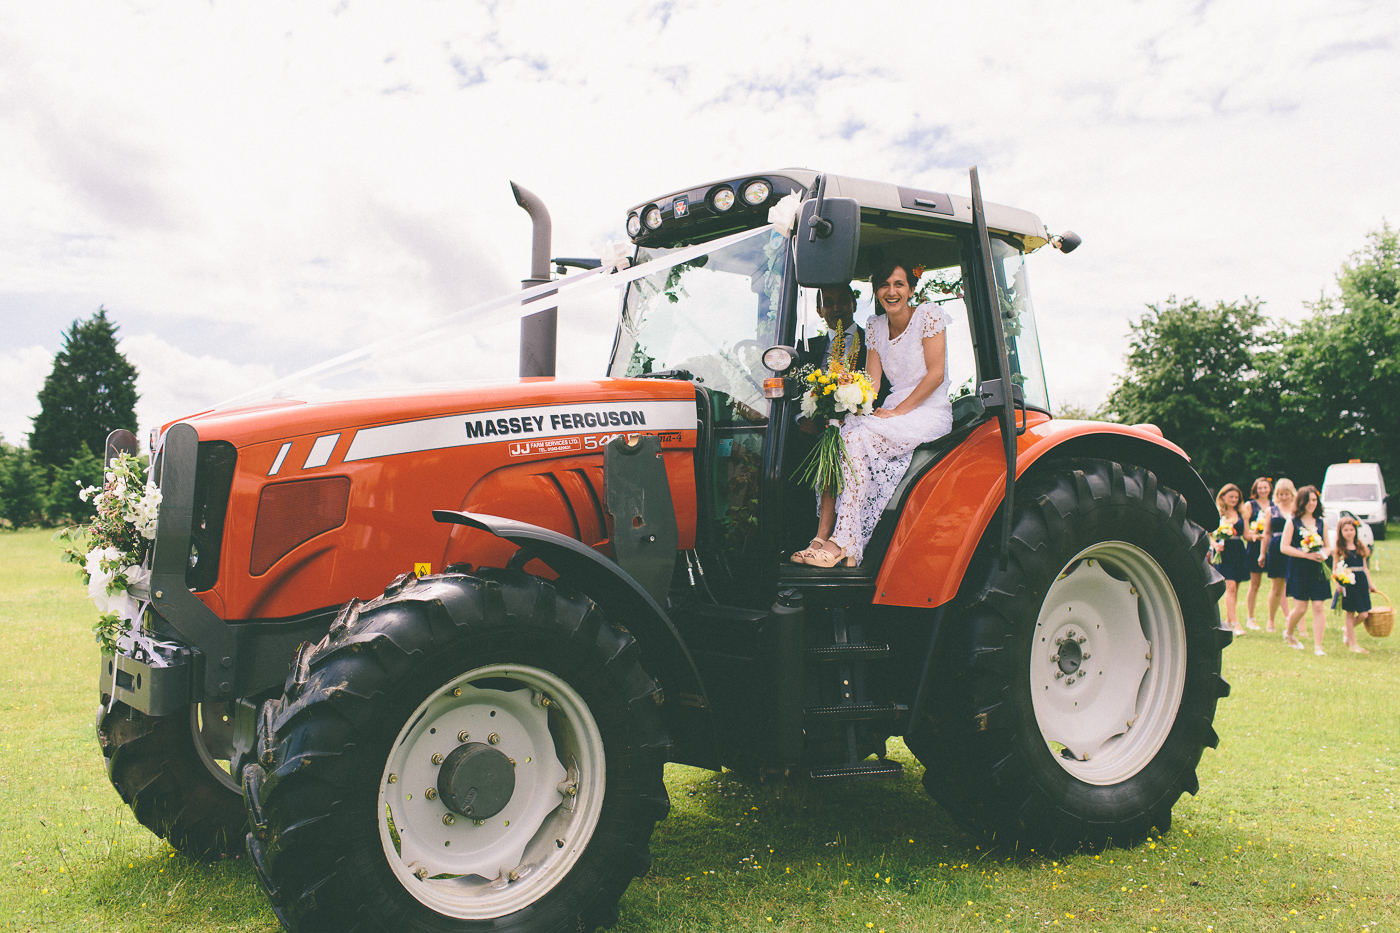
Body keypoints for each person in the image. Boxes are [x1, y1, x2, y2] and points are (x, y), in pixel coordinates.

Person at [796, 259, 953, 567]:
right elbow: (872, 382)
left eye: (898, 284)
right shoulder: (875, 326)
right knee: (840, 434)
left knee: (854, 440)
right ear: (876, 291)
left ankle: (843, 543)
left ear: (910, 289)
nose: (891, 291)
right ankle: (821, 536)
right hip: (893, 408)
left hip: (927, 409)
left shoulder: (928, 315)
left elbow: (935, 375)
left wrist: (899, 412)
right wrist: (846, 395)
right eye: (884, 285)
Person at [1281, 484, 1331, 655]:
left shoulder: (1321, 522)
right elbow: (1284, 547)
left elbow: (1328, 546)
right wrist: (1305, 554)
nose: (1312, 503)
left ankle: (1318, 646)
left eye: (1315, 500)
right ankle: (1288, 632)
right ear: (1301, 502)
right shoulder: (1292, 521)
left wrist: (1324, 553)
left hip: (1317, 568)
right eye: (1309, 500)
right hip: (1299, 568)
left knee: (1318, 606)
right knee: (1301, 607)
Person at [1334, 515, 1377, 654]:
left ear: (1355, 530)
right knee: (1350, 613)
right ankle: (1353, 644)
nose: (1349, 532)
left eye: (1351, 529)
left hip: (1361, 582)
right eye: (1345, 530)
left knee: (1364, 614)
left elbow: (1365, 567)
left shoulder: (1359, 546)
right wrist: (1338, 584)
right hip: (1348, 583)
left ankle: (1348, 629)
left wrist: (1371, 584)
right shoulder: (1339, 549)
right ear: (1341, 532)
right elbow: (1335, 569)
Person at [1214, 484, 1251, 636]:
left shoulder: (1242, 513)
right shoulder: (1218, 512)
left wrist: (1257, 536)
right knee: (1230, 587)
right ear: (1223, 496)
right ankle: (1235, 624)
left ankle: (1228, 621)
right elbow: (1208, 534)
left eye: (1236, 497)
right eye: (1231, 497)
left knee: (1236, 587)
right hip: (1224, 551)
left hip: (1238, 550)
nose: (1234, 500)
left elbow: (1246, 535)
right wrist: (1215, 544)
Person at [1262, 478, 1296, 632]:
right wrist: (1263, 553)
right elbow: (1267, 533)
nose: (1283, 497)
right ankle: (1271, 620)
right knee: (1276, 587)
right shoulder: (1271, 510)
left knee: (1295, 585)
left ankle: (1295, 622)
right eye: (1280, 494)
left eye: (1286, 494)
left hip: (1293, 548)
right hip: (1276, 548)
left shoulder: (1297, 510)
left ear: (1292, 493)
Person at [1241, 476, 1272, 630]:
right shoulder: (1250, 505)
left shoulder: (1274, 505)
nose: (1262, 490)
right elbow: (1245, 533)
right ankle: (1250, 617)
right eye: (1260, 488)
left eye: (1265, 487)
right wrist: (1255, 536)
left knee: (1278, 584)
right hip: (1255, 547)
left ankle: (1274, 620)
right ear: (1255, 489)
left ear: (1270, 489)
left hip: (1272, 547)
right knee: (1255, 584)